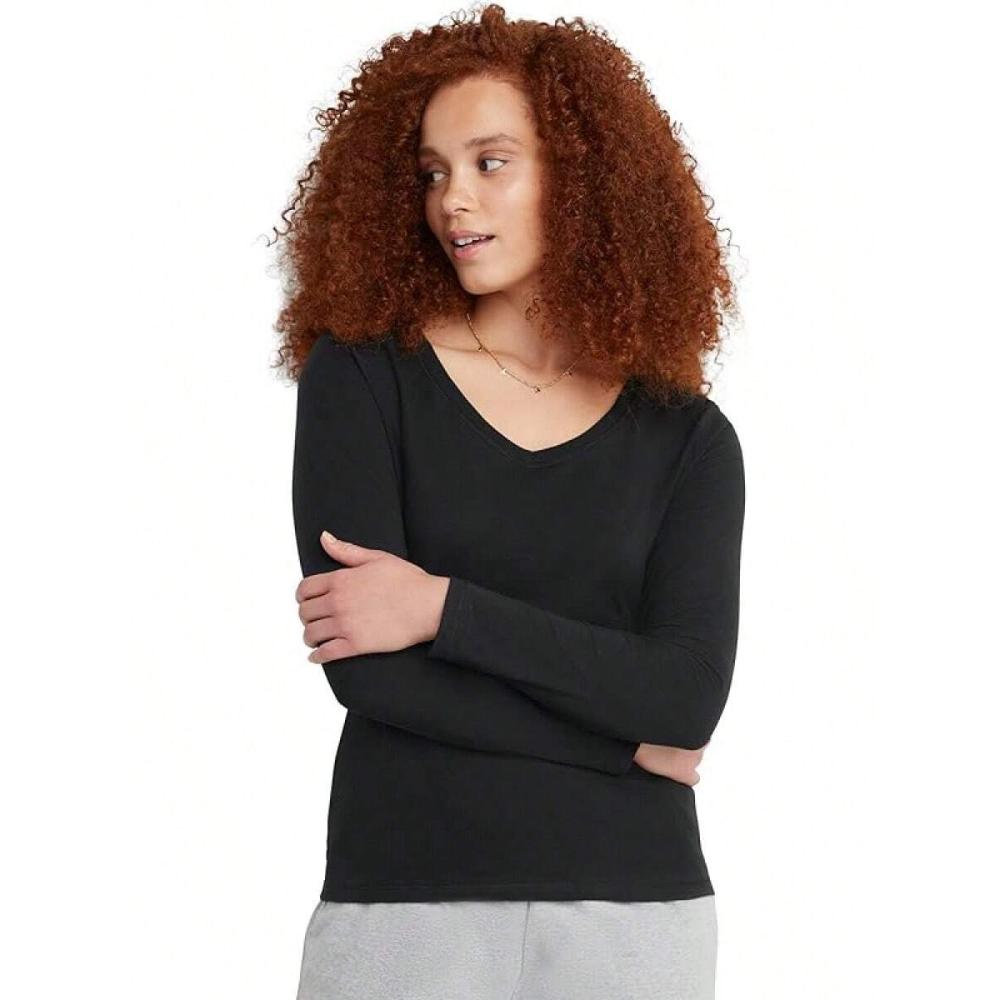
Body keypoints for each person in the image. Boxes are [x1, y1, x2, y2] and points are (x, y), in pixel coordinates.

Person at [271, 6, 745, 998]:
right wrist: (621, 742)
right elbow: (374, 678)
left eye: (490, 162)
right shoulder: (363, 380)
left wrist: (442, 608)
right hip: (406, 906)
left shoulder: (687, 438)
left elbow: (686, 696)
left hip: (636, 919)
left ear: (581, 176)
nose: (453, 198)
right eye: (432, 171)